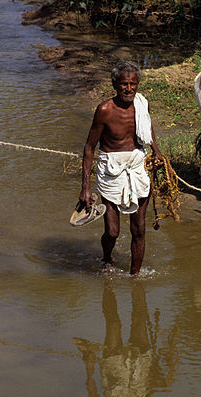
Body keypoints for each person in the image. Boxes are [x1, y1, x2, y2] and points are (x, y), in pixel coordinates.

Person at [79, 60, 163, 274]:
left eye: (133, 84)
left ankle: (135, 275)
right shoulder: (105, 110)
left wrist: (156, 150)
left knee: (139, 229)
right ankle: (107, 258)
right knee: (113, 231)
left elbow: (147, 127)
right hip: (111, 172)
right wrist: (86, 188)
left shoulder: (142, 104)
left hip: (137, 168)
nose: (129, 89)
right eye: (124, 84)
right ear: (115, 84)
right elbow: (89, 148)